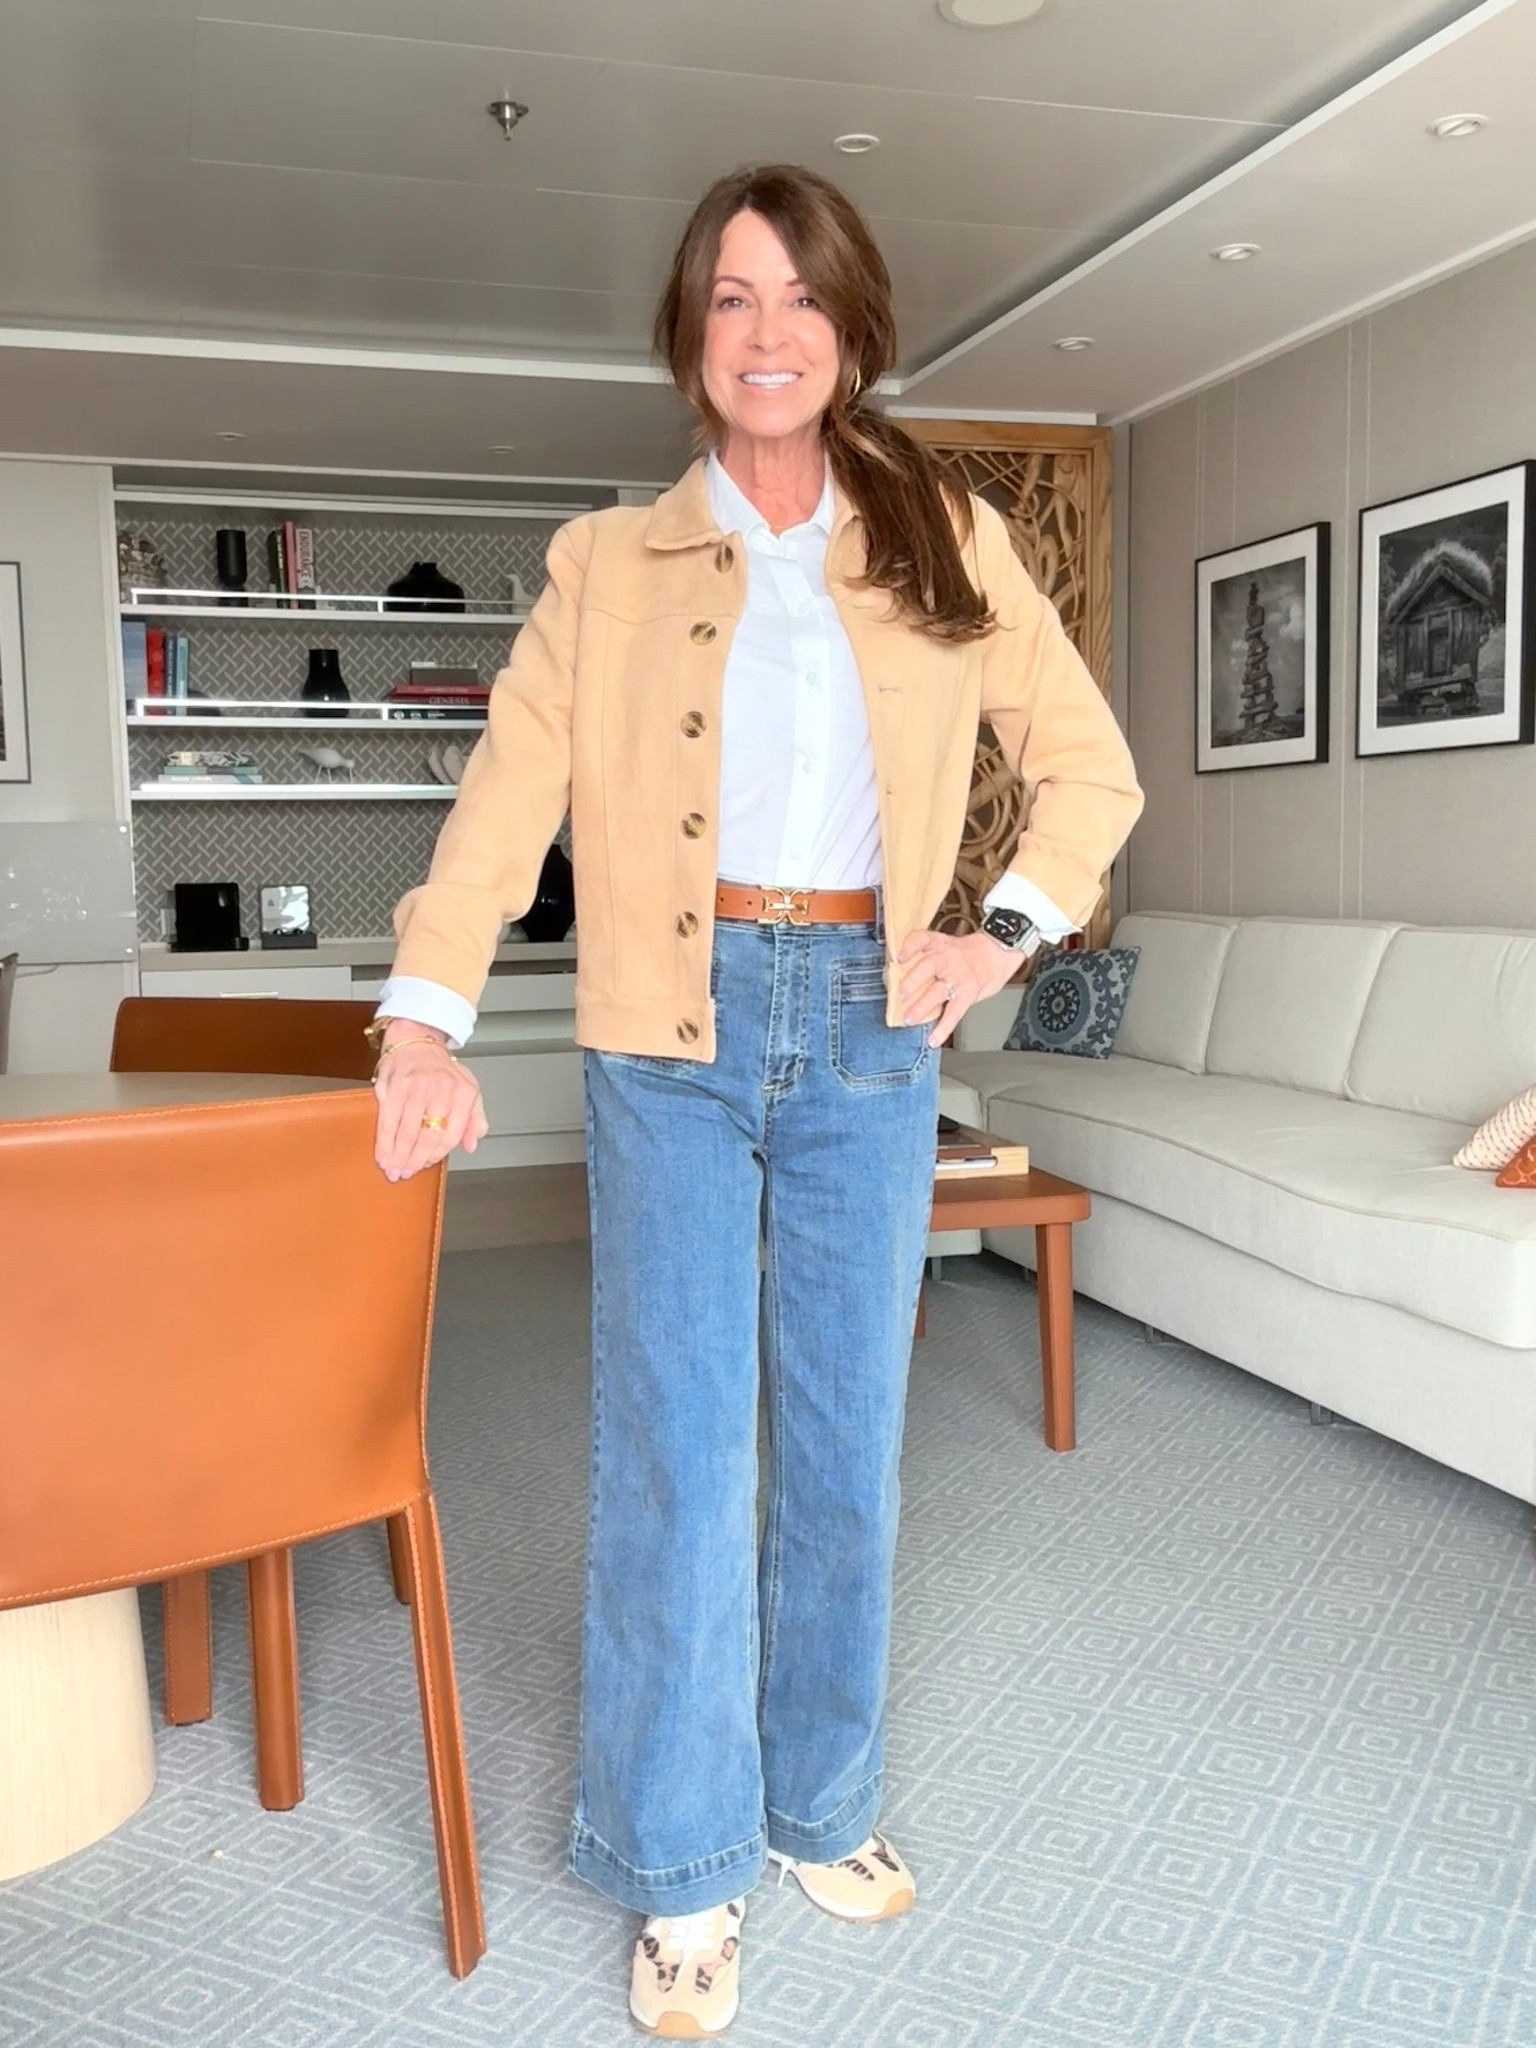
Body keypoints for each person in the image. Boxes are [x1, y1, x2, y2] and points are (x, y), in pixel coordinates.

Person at [369, 162, 1142, 2038]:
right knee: (679, 1456)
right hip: (672, 1030)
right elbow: (505, 803)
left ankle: (815, 1805)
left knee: (844, 1441)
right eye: (732, 297)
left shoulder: (947, 535)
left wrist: (998, 937)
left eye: (802, 297)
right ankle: (685, 1862)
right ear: (691, 337)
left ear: (855, 328)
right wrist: (423, 1011)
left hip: (878, 1025)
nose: (769, 331)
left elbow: (1088, 771)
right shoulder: (601, 564)